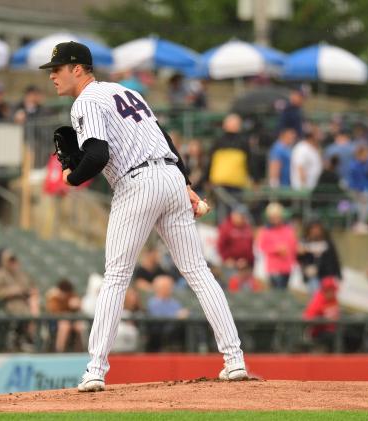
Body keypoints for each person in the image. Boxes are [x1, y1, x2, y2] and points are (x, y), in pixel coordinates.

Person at [41, 41, 247, 391]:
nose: (52, 77)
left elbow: (97, 154)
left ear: (77, 69)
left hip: (137, 183)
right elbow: (164, 139)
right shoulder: (126, 92)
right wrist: (186, 183)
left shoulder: (85, 101)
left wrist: (71, 177)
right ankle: (235, 360)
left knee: (116, 276)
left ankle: (95, 369)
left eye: (57, 69)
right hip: (170, 177)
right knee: (198, 272)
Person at [0, 249, 39, 351]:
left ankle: (28, 339)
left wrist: (30, 291)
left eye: (14, 260)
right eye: (10, 260)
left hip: (24, 301)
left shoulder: (21, 274)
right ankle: (23, 339)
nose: (12, 263)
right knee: (23, 312)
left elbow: (31, 287)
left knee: (33, 308)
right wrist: (11, 291)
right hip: (8, 303)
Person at [206, 113, 253, 220]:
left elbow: (250, 162)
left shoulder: (220, 141)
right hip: (225, 183)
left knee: (231, 213)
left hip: (231, 183)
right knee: (229, 213)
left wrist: (207, 178)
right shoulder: (220, 141)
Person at [256, 203, 297, 290]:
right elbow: (262, 247)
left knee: (284, 290)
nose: (276, 219)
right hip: (273, 267)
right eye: (273, 217)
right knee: (277, 290)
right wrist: (276, 249)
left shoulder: (288, 229)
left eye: (277, 216)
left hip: (287, 266)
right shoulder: (265, 231)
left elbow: (293, 245)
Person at [146, 274, 189, 352]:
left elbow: (182, 312)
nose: (170, 289)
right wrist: (176, 316)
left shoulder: (174, 302)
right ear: (158, 288)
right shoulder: (153, 303)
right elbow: (157, 319)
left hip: (177, 329)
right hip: (160, 332)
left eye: (170, 287)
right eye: (166, 287)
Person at [297, 221, 342, 293]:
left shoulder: (327, 242)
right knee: (316, 294)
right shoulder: (304, 242)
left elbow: (334, 259)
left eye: (317, 228)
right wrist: (301, 254)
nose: (315, 231)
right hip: (312, 275)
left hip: (327, 275)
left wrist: (339, 275)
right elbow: (300, 259)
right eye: (313, 228)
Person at [45, 278, 84, 352]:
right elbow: (54, 312)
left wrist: (78, 305)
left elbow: (78, 309)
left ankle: (80, 350)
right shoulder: (53, 297)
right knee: (64, 325)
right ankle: (59, 350)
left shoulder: (72, 295)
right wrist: (68, 305)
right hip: (55, 323)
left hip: (71, 321)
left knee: (79, 326)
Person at [303, 276, 340, 352]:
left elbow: (337, 316)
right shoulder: (317, 301)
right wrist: (323, 319)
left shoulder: (334, 300)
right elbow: (308, 318)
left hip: (333, 330)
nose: (332, 292)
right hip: (318, 332)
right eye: (329, 290)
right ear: (324, 290)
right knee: (333, 337)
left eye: (333, 290)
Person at [217, 206, 254, 271]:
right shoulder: (226, 227)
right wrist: (226, 259)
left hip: (245, 264)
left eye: (244, 216)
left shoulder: (247, 227)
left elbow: (250, 246)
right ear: (234, 215)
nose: (243, 219)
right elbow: (221, 245)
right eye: (241, 216)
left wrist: (246, 260)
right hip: (231, 264)